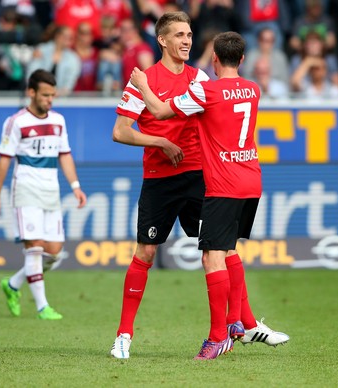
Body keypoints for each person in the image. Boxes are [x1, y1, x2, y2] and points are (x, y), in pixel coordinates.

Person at [109, 12, 289, 360]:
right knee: (146, 252)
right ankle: (124, 335)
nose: (187, 40)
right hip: (160, 180)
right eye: (179, 34)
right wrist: (161, 143)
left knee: (224, 250)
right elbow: (120, 131)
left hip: (199, 176)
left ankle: (247, 323)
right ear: (162, 40)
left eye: (189, 34)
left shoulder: (200, 79)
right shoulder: (143, 81)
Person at [0, 69, 87, 320]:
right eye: (45, 95)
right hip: (26, 189)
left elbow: (65, 154)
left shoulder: (59, 121)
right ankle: (42, 307)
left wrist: (75, 186)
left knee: (53, 252)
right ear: (31, 93)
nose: (50, 100)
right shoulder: (16, 122)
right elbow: (4, 161)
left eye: (53, 95)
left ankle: (13, 284)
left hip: (51, 190)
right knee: (35, 247)